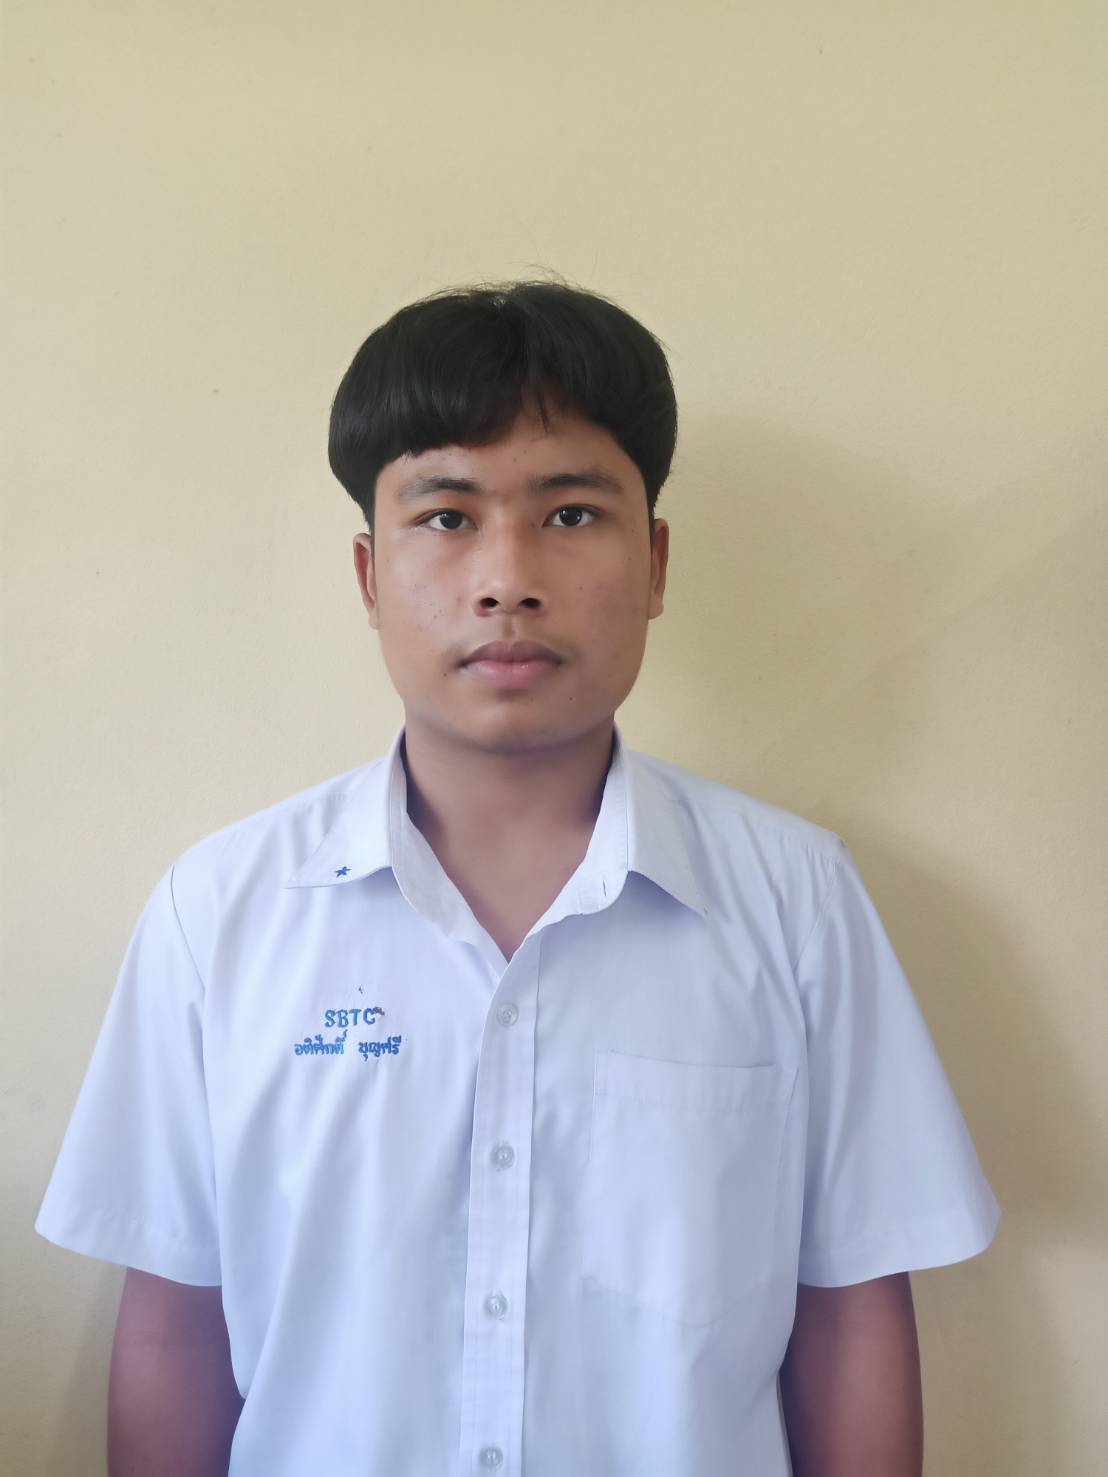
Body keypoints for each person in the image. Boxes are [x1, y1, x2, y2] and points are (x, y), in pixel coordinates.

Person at [36, 279, 1001, 1477]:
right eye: (445, 516)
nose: (505, 578)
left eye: (571, 513)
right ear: (367, 575)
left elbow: (849, 1312)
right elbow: (176, 1321)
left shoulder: (795, 901)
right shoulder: (220, 910)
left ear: (654, 564)